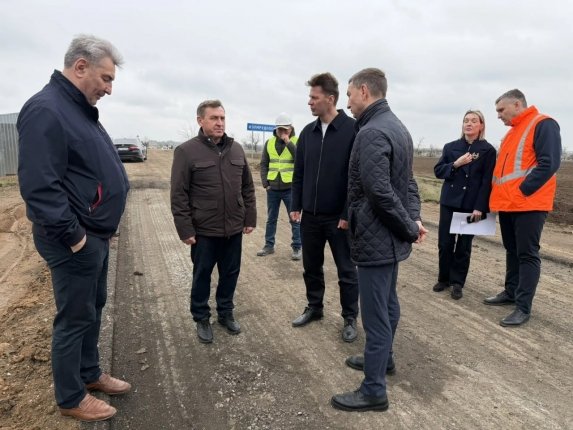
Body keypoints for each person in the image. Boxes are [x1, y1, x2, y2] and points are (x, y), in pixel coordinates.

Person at [17, 35, 131, 422]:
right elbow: (39, 187)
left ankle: (89, 372)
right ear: (80, 66)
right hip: (73, 240)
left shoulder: (78, 109)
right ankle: (70, 396)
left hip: (93, 234)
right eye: (106, 78)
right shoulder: (46, 109)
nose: (109, 89)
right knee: (74, 317)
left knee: (92, 308)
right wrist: (76, 237)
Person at [331, 68, 428, 412]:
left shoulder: (372, 132)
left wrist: (409, 227)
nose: (347, 103)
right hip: (390, 237)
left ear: (364, 91)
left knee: (375, 314)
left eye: (349, 95)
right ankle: (382, 359)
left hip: (377, 237)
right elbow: (409, 184)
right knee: (387, 304)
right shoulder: (397, 127)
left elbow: (380, 192)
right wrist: (413, 219)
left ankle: (374, 390)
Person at [171, 100, 256, 343]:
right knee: (202, 275)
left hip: (233, 228)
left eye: (222, 118)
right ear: (200, 120)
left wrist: (249, 217)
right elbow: (178, 194)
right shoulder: (186, 151)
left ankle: (225, 312)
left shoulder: (236, 149)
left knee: (230, 273)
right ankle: (201, 317)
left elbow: (247, 187)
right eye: (214, 118)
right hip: (204, 230)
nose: (220, 123)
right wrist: (185, 229)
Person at [289, 72, 359, 342]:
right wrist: (296, 204)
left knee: (346, 270)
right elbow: (299, 173)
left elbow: (356, 178)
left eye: (314, 97)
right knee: (311, 266)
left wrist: (346, 212)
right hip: (311, 216)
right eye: (310, 97)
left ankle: (350, 317)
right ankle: (315, 307)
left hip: (339, 218)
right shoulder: (307, 133)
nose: (309, 102)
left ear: (330, 99)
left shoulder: (352, 130)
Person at [484, 89, 561, 326]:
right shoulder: (511, 133)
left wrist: (522, 191)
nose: (498, 115)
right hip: (508, 204)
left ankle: (523, 306)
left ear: (517, 104)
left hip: (529, 204)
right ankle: (510, 292)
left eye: (501, 110)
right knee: (512, 250)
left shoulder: (543, 124)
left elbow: (549, 163)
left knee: (527, 254)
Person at [433, 110, 496, 300]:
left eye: (474, 121)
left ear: (481, 126)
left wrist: (480, 207)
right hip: (449, 202)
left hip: (471, 205)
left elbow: (486, 181)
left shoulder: (488, 150)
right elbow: (438, 171)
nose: (469, 124)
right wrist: (455, 164)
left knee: (464, 245)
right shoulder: (451, 147)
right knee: (445, 243)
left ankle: (458, 282)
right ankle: (444, 278)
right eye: (466, 120)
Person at [257, 112, 302, 260]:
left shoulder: (297, 141)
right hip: (273, 189)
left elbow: (300, 160)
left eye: (285, 128)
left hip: (290, 188)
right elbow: (264, 164)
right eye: (279, 128)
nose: (282, 131)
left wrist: (288, 142)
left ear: (291, 128)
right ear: (275, 129)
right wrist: (266, 184)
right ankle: (269, 245)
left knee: (294, 219)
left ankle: (297, 247)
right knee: (271, 219)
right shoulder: (269, 143)